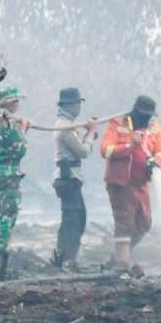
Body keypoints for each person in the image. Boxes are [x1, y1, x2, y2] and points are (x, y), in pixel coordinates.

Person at [101, 95, 161, 273]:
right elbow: (105, 149)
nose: (146, 119)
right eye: (143, 115)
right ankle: (122, 266)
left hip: (141, 183)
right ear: (135, 111)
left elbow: (160, 150)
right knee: (124, 222)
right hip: (120, 183)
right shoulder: (118, 124)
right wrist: (129, 145)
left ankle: (117, 258)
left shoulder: (154, 127)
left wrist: (156, 161)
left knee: (144, 222)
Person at [0, 86, 30, 281]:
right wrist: (23, 130)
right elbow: (19, 149)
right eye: (16, 101)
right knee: (8, 212)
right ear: (10, 103)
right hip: (10, 172)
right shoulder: (8, 123)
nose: (18, 104)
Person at [52, 87, 97, 271]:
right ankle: (64, 259)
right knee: (72, 220)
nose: (79, 106)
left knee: (78, 217)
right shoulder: (64, 127)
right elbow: (84, 152)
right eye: (76, 103)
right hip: (68, 179)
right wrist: (92, 134)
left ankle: (66, 258)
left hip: (72, 178)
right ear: (68, 105)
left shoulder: (70, 125)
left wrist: (87, 133)